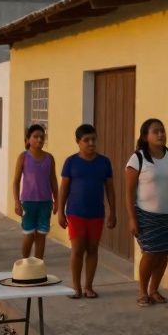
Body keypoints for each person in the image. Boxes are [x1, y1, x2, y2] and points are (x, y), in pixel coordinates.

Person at [57, 124, 116, 299]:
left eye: (93, 139)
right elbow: (64, 189)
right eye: (86, 140)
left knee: (92, 249)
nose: (91, 143)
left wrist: (113, 212)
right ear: (78, 142)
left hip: (96, 214)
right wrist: (60, 211)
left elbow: (110, 189)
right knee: (77, 250)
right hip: (75, 213)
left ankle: (88, 286)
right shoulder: (71, 162)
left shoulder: (104, 162)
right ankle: (76, 287)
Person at [125, 118, 168, 307]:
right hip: (146, 215)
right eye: (156, 131)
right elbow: (129, 192)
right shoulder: (138, 158)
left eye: (162, 131)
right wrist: (132, 218)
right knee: (150, 253)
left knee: (163, 254)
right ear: (146, 136)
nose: (161, 134)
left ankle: (154, 290)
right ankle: (142, 291)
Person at [13, 124, 58, 259]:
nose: (39, 139)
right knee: (29, 234)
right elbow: (15, 182)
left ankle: (38, 264)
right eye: (35, 137)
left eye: (42, 137)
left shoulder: (49, 158)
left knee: (41, 234)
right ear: (28, 140)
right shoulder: (23, 157)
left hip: (45, 202)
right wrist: (17, 203)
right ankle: (25, 262)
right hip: (28, 202)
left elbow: (53, 181)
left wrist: (57, 201)